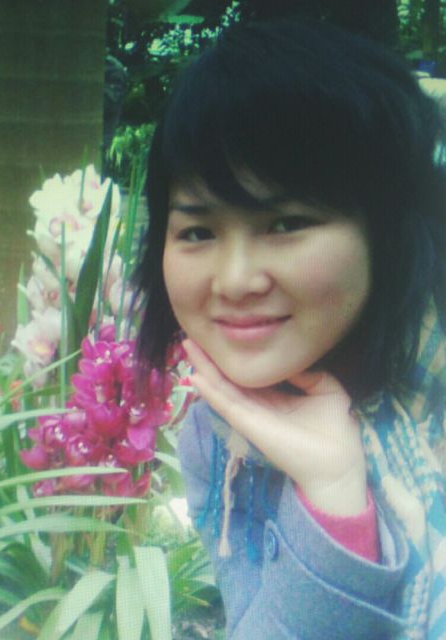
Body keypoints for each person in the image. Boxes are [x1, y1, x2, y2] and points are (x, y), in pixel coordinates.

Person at [134, 19, 446, 639]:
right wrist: (333, 498)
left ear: (388, 231)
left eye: (286, 223)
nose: (235, 280)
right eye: (198, 231)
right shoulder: (218, 436)